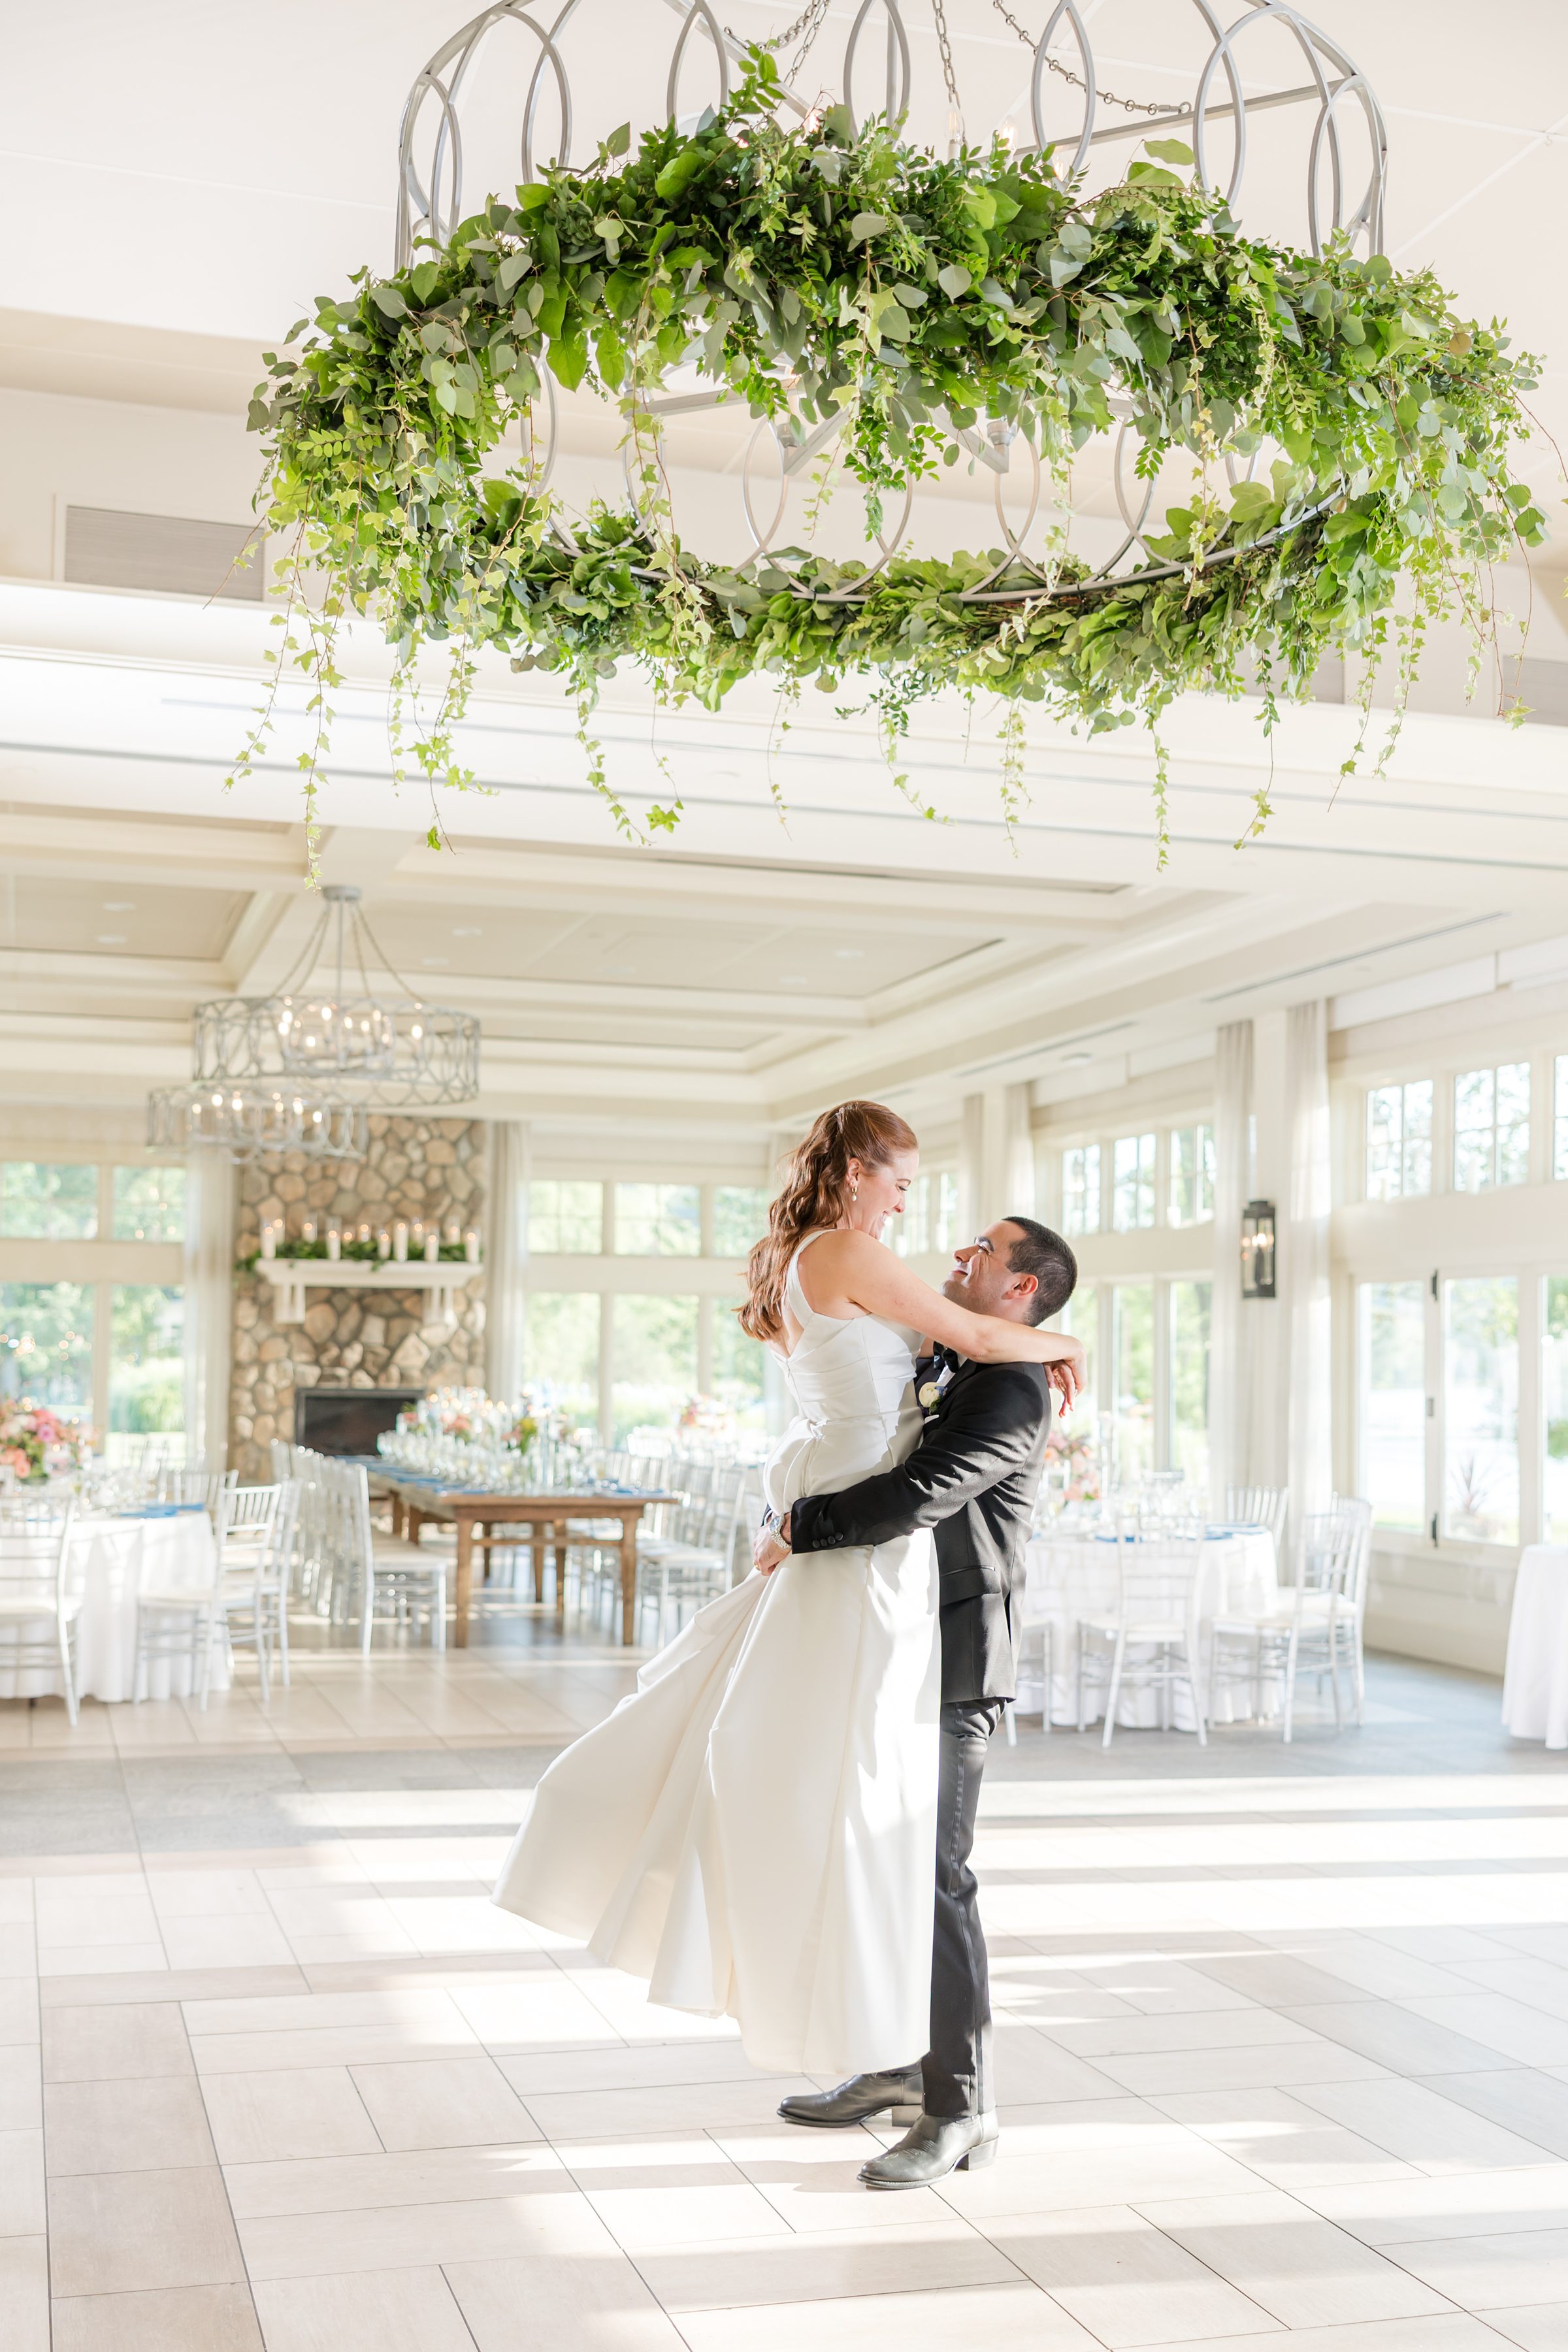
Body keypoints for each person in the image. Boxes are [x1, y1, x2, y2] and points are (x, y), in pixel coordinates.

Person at [491, 1102, 1083, 2086]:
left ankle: (931, 2078)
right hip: (852, 1539)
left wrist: (801, 1516)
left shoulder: (822, 1266)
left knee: (878, 1826)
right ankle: (889, 2050)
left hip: (883, 1557)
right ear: (857, 1173)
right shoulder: (849, 1257)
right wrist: (1073, 1349)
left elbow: (958, 1369)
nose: (913, 1212)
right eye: (901, 1184)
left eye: (970, 1239)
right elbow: (967, 1340)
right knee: (841, 1800)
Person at [757, 1213, 1077, 2187]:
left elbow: (919, 1491)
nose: (956, 1260)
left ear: (1022, 1289)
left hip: (954, 1658)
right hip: (893, 1644)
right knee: (885, 1865)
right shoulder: (958, 1361)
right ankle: (902, 2065)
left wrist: (797, 1524)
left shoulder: (1013, 1389)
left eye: (981, 1254)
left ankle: (962, 2106)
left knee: (937, 1877)